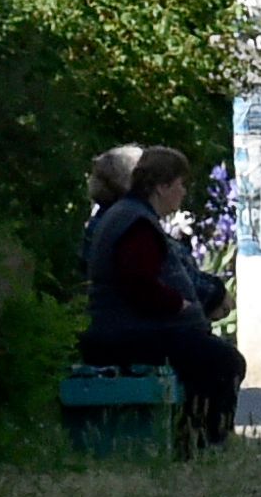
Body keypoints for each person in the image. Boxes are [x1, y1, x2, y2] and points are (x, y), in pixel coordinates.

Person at [79, 146, 245, 450]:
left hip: (130, 328)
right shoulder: (136, 224)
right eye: (180, 184)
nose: (182, 192)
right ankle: (203, 442)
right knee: (223, 361)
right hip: (127, 333)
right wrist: (179, 305)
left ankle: (196, 438)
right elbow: (139, 283)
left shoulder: (131, 216)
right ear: (162, 186)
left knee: (210, 359)